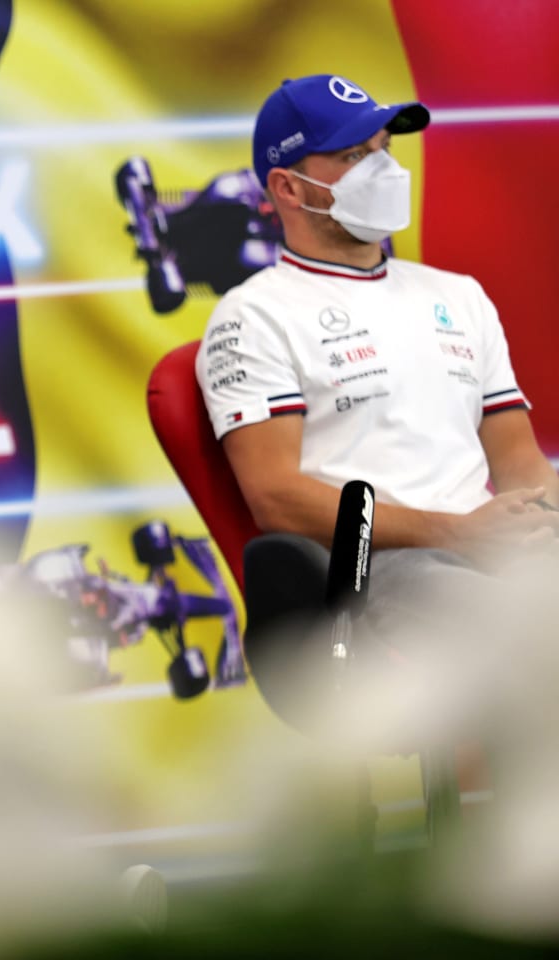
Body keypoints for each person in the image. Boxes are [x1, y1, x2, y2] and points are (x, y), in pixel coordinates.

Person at [198, 74, 559, 651]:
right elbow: (276, 499)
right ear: (288, 188)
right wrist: (459, 533)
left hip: (491, 549)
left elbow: (519, 461)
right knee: (536, 641)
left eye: (383, 149)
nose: (384, 170)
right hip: (374, 572)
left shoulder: (458, 295)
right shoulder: (253, 316)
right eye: (352, 155)